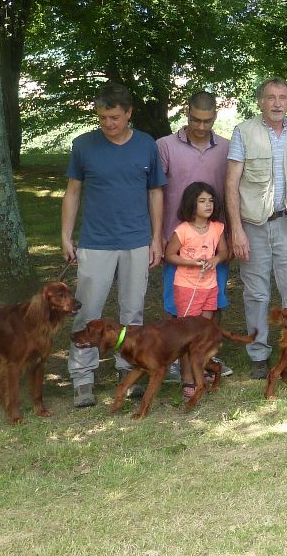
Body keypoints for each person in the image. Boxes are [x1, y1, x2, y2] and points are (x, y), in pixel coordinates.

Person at [61, 82, 166, 408]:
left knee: (132, 312)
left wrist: (156, 238)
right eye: (103, 117)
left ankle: (128, 369)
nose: (108, 123)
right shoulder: (83, 145)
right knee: (87, 312)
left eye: (115, 117)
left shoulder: (147, 145)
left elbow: (155, 193)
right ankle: (82, 378)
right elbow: (73, 191)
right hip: (96, 242)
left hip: (136, 240)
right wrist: (66, 235)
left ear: (129, 113)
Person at [225, 77, 287, 380]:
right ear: (260, 102)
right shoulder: (244, 131)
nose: (277, 103)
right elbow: (231, 183)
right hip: (253, 225)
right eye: (270, 98)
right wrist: (236, 229)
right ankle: (258, 355)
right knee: (256, 294)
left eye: (282, 97)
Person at [156, 91, 233, 379]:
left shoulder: (226, 147)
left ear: (215, 116)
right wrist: (157, 235)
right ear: (186, 113)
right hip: (176, 239)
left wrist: (232, 234)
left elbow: (232, 191)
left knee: (214, 300)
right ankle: (177, 359)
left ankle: (208, 355)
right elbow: (155, 192)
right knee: (175, 302)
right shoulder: (164, 146)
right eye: (196, 120)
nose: (201, 127)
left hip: (214, 240)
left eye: (208, 121)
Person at [163, 181, 229, 400]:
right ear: (192, 204)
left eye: (210, 200)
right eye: (202, 201)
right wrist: (191, 263)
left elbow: (223, 252)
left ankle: (200, 372)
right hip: (187, 288)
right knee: (187, 334)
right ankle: (187, 378)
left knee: (202, 333)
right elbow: (170, 255)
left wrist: (215, 260)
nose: (208, 205)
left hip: (210, 287)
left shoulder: (217, 227)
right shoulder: (182, 230)